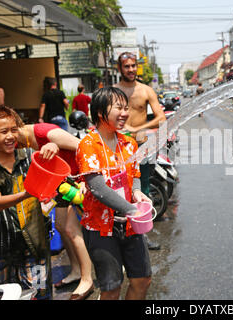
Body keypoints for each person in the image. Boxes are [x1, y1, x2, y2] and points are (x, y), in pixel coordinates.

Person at [76, 86, 152, 300]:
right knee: (111, 288)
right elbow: (97, 188)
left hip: (130, 224)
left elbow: (134, 173)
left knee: (142, 279)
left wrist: (136, 193)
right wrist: (132, 209)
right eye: (119, 107)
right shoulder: (88, 145)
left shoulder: (128, 143)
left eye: (126, 108)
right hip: (101, 227)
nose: (125, 113)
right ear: (101, 112)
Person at [0, 105, 51, 299]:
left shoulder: (29, 158)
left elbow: (52, 172)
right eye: (3, 131)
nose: (10, 136)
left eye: (14, 130)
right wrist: (28, 193)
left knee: (38, 294)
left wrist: (52, 146)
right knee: (0, 295)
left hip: (33, 244)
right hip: (0, 246)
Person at [16, 121, 94, 300]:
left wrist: (84, 179)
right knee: (60, 225)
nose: (11, 139)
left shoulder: (44, 132)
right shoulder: (28, 142)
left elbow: (83, 147)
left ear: (18, 127)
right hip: (64, 183)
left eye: (12, 132)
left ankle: (87, 279)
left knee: (73, 230)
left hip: (78, 181)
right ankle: (75, 270)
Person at [114, 52, 166, 249]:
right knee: (119, 189)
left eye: (133, 66)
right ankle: (120, 234)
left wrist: (136, 129)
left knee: (142, 190)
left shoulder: (145, 90)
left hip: (141, 146)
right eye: (126, 66)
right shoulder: (114, 91)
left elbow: (161, 117)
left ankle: (143, 236)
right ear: (120, 68)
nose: (131, 70)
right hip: (118, 148)